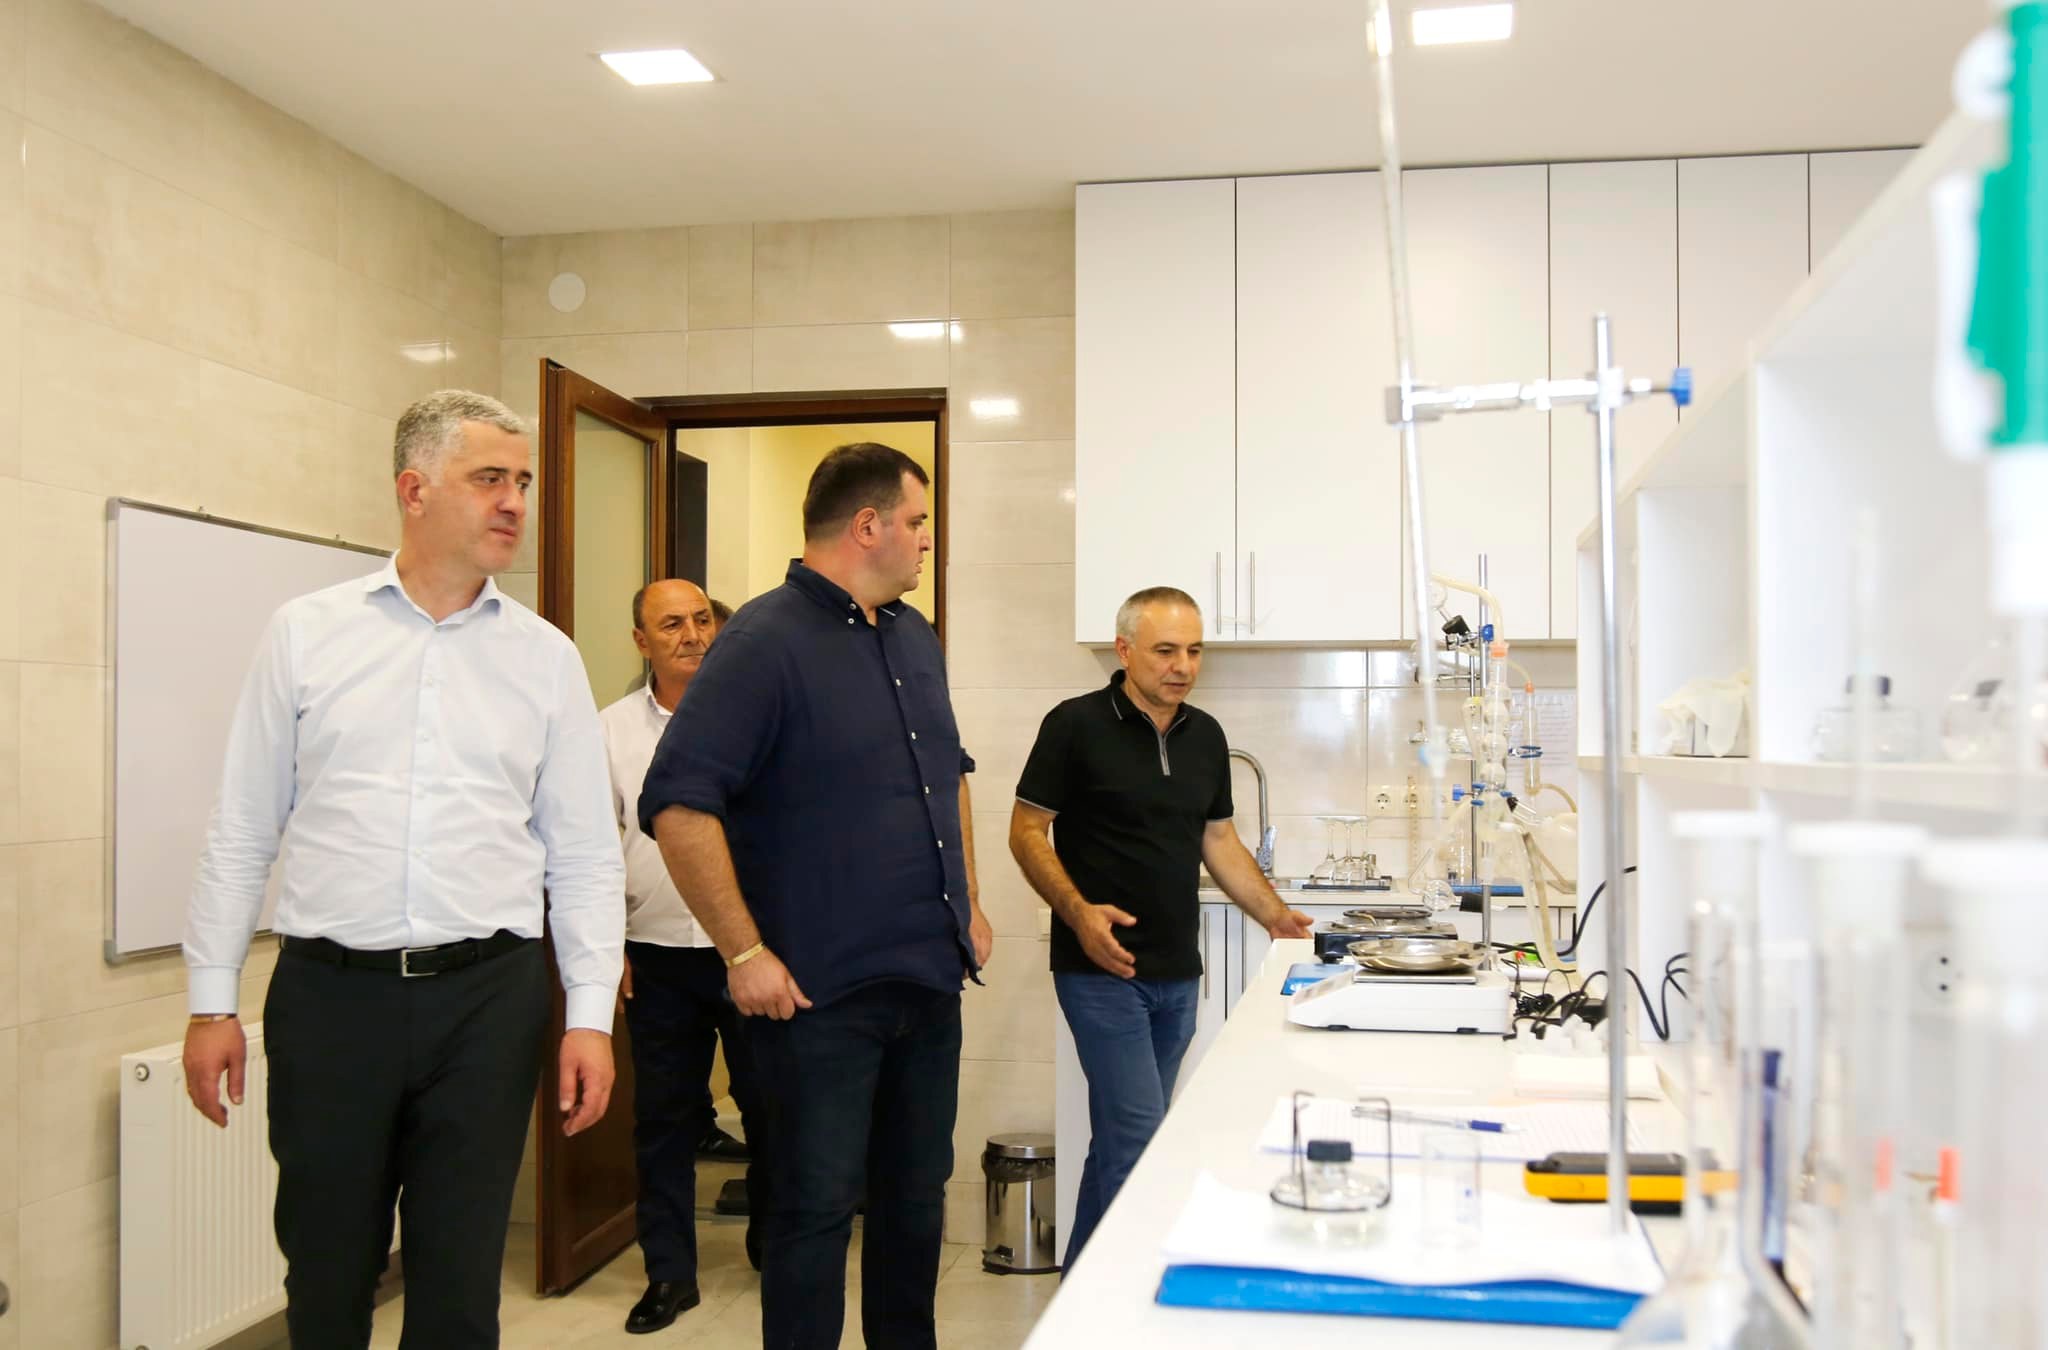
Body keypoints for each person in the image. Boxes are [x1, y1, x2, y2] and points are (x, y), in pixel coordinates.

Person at [180, 390, 625, 1350]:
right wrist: (211, 1002)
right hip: (333, 999)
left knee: (459, 1284)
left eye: (523, 481)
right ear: (414, 490)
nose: (515, 501)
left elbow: (586, 857)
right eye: (490, 478)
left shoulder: (546, 659)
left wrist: (589, 1017)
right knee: (328, 1272)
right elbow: (243, 828)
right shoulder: (306, 633)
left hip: (488, 1001)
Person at [640, 442, 993, 1350]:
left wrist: (969, 901)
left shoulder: (913, 635)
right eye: (917, 521)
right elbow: (678, 806)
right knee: (813, 1211)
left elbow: (948, 773)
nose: (926, 540)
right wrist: (743, 951)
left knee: (914, 1201)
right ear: (867, 526)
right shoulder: (761, 642)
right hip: (816, 1002)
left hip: (926, 981)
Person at [1009, 586, 1314, 1267]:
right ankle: (1129, 1295)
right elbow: (1026, 831)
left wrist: (1276, 917)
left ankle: (1082, 1294)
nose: (1183, 666)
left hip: (1177, 974)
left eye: (1194, 651)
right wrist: (1079, 913)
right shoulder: (1074, 725)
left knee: (1120, 1143)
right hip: (1100, 969)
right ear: (1124, 651)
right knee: (1142, 1143)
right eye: (1166, 650)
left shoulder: (1206, 736)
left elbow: (1219, 839)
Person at [600, 578, 763, 1334]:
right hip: (656, 954)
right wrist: (606, 944)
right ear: (642, 641)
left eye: (701, 620)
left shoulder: (758, 716)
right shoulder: (608, 732)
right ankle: (669, 1273)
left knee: (772, 1109)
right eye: (672, 625)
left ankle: (772, 1242)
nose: (693, 634)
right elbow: (592, 845)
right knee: (662, 1121)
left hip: (751, 952)